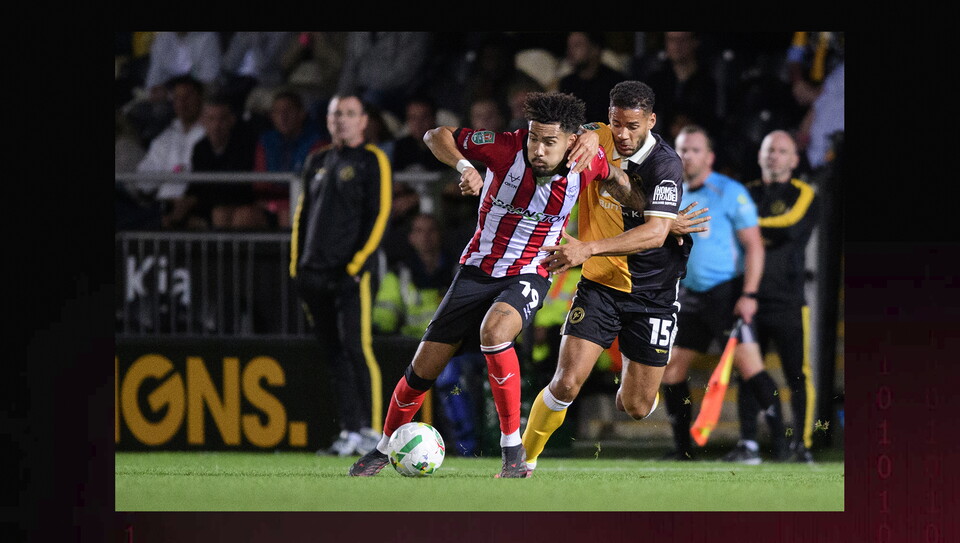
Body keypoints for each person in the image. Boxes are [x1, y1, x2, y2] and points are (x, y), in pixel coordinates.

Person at [349, 91, 642, 478]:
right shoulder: (505, 147)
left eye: (549, 141)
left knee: (495, 329)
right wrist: (463, 166)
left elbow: (622, 184)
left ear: (571, 142)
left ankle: (511, 449)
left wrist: (630, 195)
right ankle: (384, 448)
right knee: (422, 370)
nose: (537, 148)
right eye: (534, 137)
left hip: (529, 272)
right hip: (475, 271)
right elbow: (435, 134)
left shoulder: (587, 162)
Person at [519, 81, 709, 472]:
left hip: (653, 294)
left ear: (651, 121)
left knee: (636, 406)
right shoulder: (594, 136)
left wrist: (587, 247)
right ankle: (520, 459)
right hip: (600, 286)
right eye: (616, 123)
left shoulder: (665, 164)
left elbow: (657, 234)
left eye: (633, 126)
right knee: (566, 382)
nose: (622, 134)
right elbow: (552, 142)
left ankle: (640, 384)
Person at [659, 124, 788, 463]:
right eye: (682, 149)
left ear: (710, 156)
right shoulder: (671, 192)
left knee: (751, 368)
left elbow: (754, 247)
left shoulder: (730, 192)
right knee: (671, 369)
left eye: (694, 149)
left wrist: (749, 294)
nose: (686, 155)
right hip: (689, 293)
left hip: (727, 293)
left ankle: (785, 446)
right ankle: (683, 449)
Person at [290, 93, 392, 457]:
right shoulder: (318, 159)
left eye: (349, 114)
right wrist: (296, 265)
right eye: (336, 114)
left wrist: (357, 263)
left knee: (356, 347)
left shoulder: (372, 159)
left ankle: (372, 432)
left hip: (350, 273)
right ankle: (349, 430)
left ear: (364, 121)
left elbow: (379, 215)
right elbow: (302, 215)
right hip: (313, 272)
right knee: (333, 351)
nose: (341, 120)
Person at [736, 130, 820, 464]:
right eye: (769, 150)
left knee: (798, 375)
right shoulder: (745, 192)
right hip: (748, 298)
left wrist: (749, 231)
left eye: (782, 151)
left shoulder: (804, 193)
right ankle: (748, 444)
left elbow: (790, 226)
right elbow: (733, 228)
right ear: (759, 156)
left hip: (788, 299)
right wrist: (760, 235)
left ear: (794, 159)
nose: (774, 156)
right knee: (747, 373)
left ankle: (803, 445)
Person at [135, 75, 208, 229]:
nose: (182, 103)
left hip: (199, 205)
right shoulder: (165, 138)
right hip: (164, 207)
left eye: (187, 97)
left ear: (200, 98)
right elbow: (144, 180)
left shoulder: (211, 132)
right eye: (177, 98)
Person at [187, 95, 264, 230]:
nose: (217, 125)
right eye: (211, 119)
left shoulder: (244, 146)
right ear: (203, 121)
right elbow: (197, 186)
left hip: (241, 204)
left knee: (225, 214)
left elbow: (242, 188)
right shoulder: (200, 149)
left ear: (231, 120)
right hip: (209, 206)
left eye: (222, 119)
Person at [253, 89, 327, 229]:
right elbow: (260, 184)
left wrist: (284, 204)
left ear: (301, 114)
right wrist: (274, 204)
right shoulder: (266, 142)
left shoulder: (317, 143)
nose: (283, 117)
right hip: (270, 204)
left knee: (288, 214)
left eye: (288, 111)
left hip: (305, 206)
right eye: (277, 112)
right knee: (244, 216)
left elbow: (315, 186)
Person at [640, 32, 719, 143]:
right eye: (671, 40)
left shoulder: (709, 81)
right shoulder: (655, 81)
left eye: (683, 40)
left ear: (695, 42)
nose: (677, 45)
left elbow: (714, 119)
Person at [336, 32, 432, 118]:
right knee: (330, 109)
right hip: (365, 89)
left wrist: (366, 83)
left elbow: (405, 70)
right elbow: (351, 63)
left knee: (369, 104)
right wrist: (343, 97)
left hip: (402, 91)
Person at [557, 32, 628, 123]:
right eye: (569, 46)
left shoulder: (615, 82)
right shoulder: (567, 83)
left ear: (595, 49)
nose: (570, 51)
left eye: (577, 45)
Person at [391, 96, 447, 173]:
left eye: (424, 117)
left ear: (433, 118)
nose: (418, 123)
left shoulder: (447, 145)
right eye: (413, 118)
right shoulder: (401, 146)